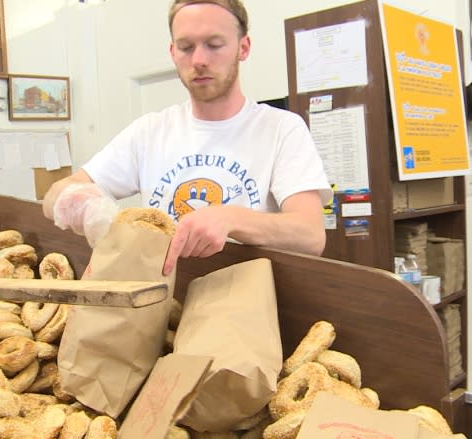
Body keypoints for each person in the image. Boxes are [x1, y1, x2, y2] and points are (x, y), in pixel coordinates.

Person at [42, 0, 332, 275]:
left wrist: (229, 219)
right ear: (172, 53)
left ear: (243, 48)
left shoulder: (281, 129)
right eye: (186, 47)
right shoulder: (150, 131)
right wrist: (88, 208)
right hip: (162, 301)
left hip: (246, 306)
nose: (200, 60)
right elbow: (55, 194)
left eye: (214, 45)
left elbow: (310, 235)